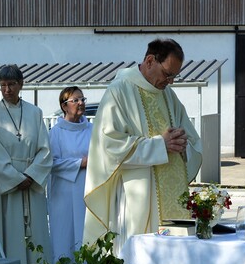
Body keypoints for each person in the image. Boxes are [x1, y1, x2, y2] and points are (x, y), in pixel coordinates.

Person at [83, 38, 202, 248]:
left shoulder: (168, 95)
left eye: (175, 76)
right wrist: (160, 145)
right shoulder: (120, 90)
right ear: (149, 61)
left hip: (173, 197)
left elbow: (192, 139)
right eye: (167, 74)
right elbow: (109, 145)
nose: (171, 81)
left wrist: (182, 142)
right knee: (138, 257)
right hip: (137, 194)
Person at [0, 65, 53, 264]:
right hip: (10, 185)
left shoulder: (35, 112)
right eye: (3, 85)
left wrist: (31, 175)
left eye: (12, 84)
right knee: (11, 234)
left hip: (32, 182)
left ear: (21, 85)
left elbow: (45, 149)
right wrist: (16, 178)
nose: (7, 90)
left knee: (38, 234)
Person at [47, 87, 93, 264]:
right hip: (63, 193)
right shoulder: (56, 132)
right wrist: (79, 163)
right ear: (64, 106)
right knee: (64, 235)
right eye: (75, 100)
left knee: (85, 234)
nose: (81, 103)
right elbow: (52, 163)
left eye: (82, 99)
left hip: (87, 189)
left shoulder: (92, 129)